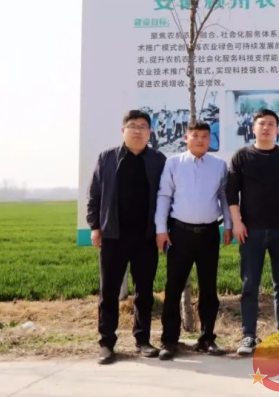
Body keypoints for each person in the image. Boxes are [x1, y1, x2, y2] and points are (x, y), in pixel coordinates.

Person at [86, 110, 167, 365]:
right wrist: (95, 227)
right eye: (133, 126)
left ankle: (143, 340)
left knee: (145, 292)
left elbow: (166, 196)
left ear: (149, 132)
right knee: (108, 292)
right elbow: (94, 195)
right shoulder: (107, 158)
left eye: (143, 126)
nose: (137, 131)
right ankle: (106, 343)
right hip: (113, 235)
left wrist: (162, 229)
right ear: (123, 130)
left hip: (146, 237)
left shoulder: (158, 160)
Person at [155, 120, 233, 360]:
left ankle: (207, 338)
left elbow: (224, 197)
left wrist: (229, 225)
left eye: (204, 136)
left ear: (210, 140)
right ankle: (170, 340)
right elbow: (164, 196)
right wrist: (161, 229)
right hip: (179, 234)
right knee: (173, 287)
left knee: (209, 288)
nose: (200, 140)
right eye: (195, 135)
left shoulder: (219, 165)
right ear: (186, 138)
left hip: (209, 233)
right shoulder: (173, 163)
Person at [226, 109, 279, 355]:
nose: (266, 127)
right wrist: (237, 223)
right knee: (249, 285)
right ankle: (248, 335)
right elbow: (231, 193)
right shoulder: (242, 156)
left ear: (278, 129)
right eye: (261, 123)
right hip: (251, 231)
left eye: (271, 124)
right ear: (253, 128)